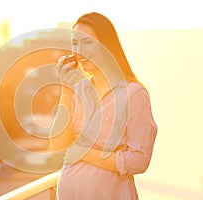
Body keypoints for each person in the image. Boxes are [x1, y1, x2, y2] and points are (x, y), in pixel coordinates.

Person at [49, 12, 158, 199]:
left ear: (106, 45)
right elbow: (57, 144)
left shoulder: (134, 94)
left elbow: (139, 161)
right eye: (75, 43)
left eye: (88, 42)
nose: (79, 50)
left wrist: (84, 152)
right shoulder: (77, 90)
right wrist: (65, 89)